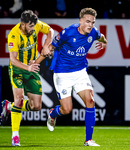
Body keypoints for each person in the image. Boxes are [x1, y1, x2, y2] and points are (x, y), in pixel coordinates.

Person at [46, 8, 107, 146]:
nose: (90, 25)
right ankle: (53, 113)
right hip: (62, 73)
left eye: (92, 22)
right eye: (87, 21)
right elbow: (53, 45)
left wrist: (105, 42)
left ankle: (88, 140)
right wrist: (46, 51)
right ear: (80, 21)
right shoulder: (68, 32)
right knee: (66, 110)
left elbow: (101, 36)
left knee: (90, 101)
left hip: (80, 72)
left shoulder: (93, 32)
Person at [1, 10, 54, 146]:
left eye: (33, 26)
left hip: (32, 68)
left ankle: (8, 106)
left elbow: (50, 31)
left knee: (36, 106)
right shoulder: (14, 34)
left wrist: (46, 45)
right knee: (19, 100)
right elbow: (12, 60)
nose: (33, 29)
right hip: (18, 70)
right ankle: (15, 137)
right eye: (30, 26)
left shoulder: (35, 24)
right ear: (23, 24)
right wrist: (28, 67)